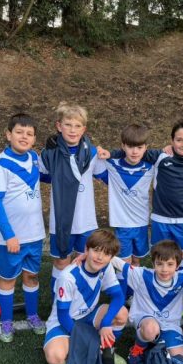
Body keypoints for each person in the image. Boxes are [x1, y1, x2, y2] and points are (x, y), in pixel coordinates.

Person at [108, 119, 183, 270]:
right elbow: (133, 150)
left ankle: (181, 282)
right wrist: (111, 153)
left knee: (181, 253)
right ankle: (157, 282)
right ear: (172, 140)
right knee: (160, 253)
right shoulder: (160, 156)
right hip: (160, 218)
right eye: (179, 140)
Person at [0, 113, 46, 342]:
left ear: (34, 139)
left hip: (35, 234)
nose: (24, 137)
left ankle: (32, 315)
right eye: (19, 132)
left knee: (32, 276)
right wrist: (9, 235)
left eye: (29, 134)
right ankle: (6, 321)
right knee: (8, 279)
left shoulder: (35, 159)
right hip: (11, 239)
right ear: (8, 134)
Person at [39, 103, 107, 295]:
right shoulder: (48, 153)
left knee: (86, 260)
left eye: (77, 126)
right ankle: (58, 302)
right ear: (59, 126)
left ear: (83, 129)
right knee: (62, 262)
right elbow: (41, 176)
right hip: (61, 221)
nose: (72, 130)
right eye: (68, 125)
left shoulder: (92, 153)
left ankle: (80, 301)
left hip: (86, 220)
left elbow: (107, 176)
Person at [43, 230, 128, 364]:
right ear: (86, 249)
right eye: (96, 250)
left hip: (88, 315)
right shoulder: (68, 277)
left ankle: (106, 350)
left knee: (122, 313)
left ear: (111, 258)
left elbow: (118, 297)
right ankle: (87, 351)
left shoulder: (106, 267)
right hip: (64, 322)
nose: (100, 257)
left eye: (106, 254)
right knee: (55, 358)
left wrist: (106, 323)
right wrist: (82, 338)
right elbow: (63, 315)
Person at [111, 240, 183, 359]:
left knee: (181, 358)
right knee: (150, 330)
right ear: (153, 264)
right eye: (159, 264)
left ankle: (160, 342)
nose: (164, 269)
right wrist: (93, 254)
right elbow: (118, 263)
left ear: (177, 265)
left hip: (170, 324)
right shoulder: (142, 275)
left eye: (170, 264)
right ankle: (139, 346)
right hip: (147, 321)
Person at [101, 123, 154, 267]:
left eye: (139, 147)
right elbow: (93, 155)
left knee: (136, 261)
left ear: (146, 147)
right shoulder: (111, 164)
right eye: (130, 147)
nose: (135, 152)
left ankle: (135, 282)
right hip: (122, 224)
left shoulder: (151, 167)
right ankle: (122, 282)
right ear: (123, 146)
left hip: (141, 223)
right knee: (124, 263)